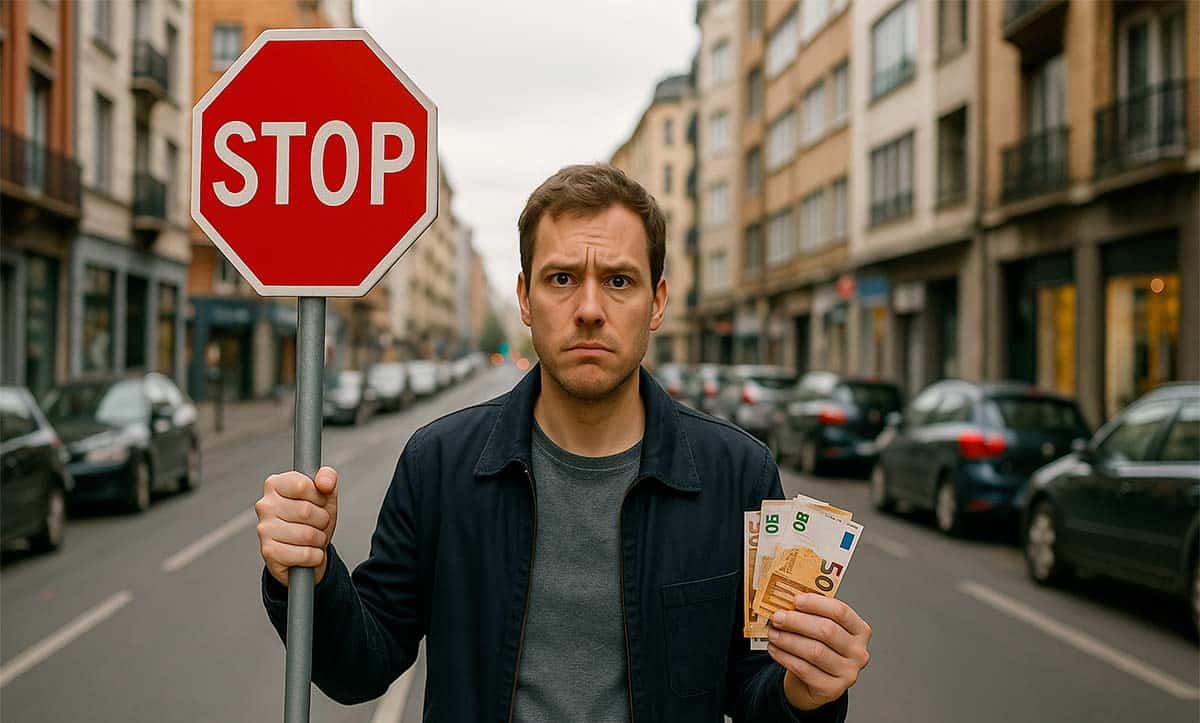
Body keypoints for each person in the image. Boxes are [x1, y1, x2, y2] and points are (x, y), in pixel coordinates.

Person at [256, 164, 871, 721]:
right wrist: (306, 570)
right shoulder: (439, 463)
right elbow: (360, 666)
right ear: (525, 299)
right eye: (562, 278)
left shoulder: (737, 473)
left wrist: (806, 695)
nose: (589, 308)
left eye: (620, 281)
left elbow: (755, 690)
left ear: (657, 302)